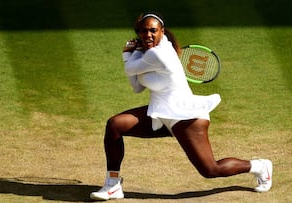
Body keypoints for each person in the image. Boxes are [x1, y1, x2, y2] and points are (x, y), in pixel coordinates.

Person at [90, 12, 272, 201]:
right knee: (115, 125)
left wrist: (128, 52)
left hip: (185, 116)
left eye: (153, 30)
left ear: (162, 31)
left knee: (210, 169)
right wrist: (134, 53)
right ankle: (113, 184)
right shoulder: (147, 53)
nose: (148, 35)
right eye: (144, 31)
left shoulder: (158, 53)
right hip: (160, 114)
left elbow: (129, 69)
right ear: (139, 32)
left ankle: (259, 166)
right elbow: (137, 87)